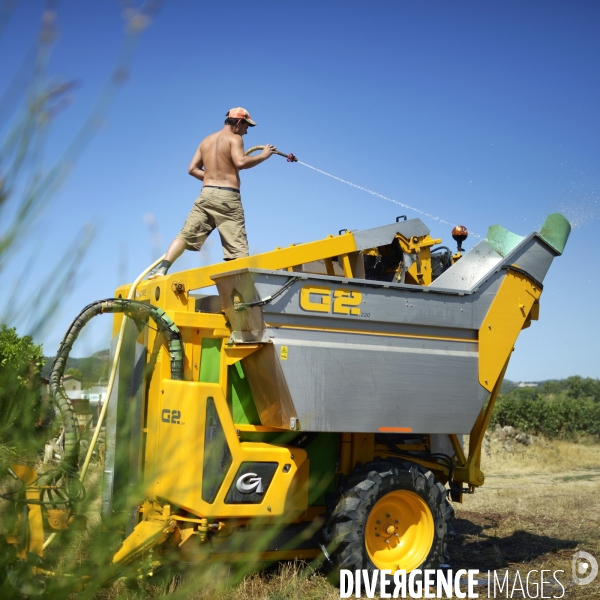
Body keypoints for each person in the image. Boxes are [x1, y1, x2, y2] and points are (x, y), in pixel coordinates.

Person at [149, 107, 277, 278]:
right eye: (246, 126)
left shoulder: (206, 140)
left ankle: (162, 269)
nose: (246, 132)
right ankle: (240, 295)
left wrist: (211, 177)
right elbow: (240, 162)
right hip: (228, 198)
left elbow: (192, 169)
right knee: (237, 250)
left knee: (185, 235)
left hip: (206, 195)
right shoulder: (235, 138)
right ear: (239, 122)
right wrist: (264, 155)